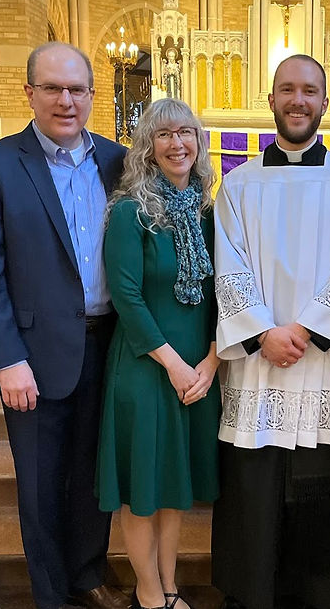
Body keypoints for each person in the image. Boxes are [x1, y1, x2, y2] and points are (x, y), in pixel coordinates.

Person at [0, 42, 128, 609]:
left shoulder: (117, 159)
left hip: (109, 343)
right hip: (31, 352)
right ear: (28, 92)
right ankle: (50, 594)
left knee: (92, 473)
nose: (65, 100)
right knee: (39, 482)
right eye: (52, 88)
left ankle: (87, 573)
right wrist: (5, 358)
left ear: (92, 96)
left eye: (76, 89)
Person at [211, 54, 330, 609]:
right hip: (258, 367)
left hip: (322, 361)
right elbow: (227, 265)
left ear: (325, 102)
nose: (297, 100)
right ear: (272, 99)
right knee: (254, 492)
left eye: (309, 90)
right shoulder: (237, 187)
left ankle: (323, 597)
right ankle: (252, 595)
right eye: (287, 89)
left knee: (319, 494)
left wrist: (305, 330)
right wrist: (262, 334)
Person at [96, 98, 220, 609]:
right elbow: (126, 295)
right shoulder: (130, 213)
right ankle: (148, 592)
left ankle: (170, 583)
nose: (177, 144)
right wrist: (173, 364)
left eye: (186, 133)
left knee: (175, 483)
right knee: (142, 486)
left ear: (198, 142)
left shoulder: (209, 212)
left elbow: (225, 291)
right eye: (164, 134)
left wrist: (211, 361)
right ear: (147, 147)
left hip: (199, 367)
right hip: (149, 366)